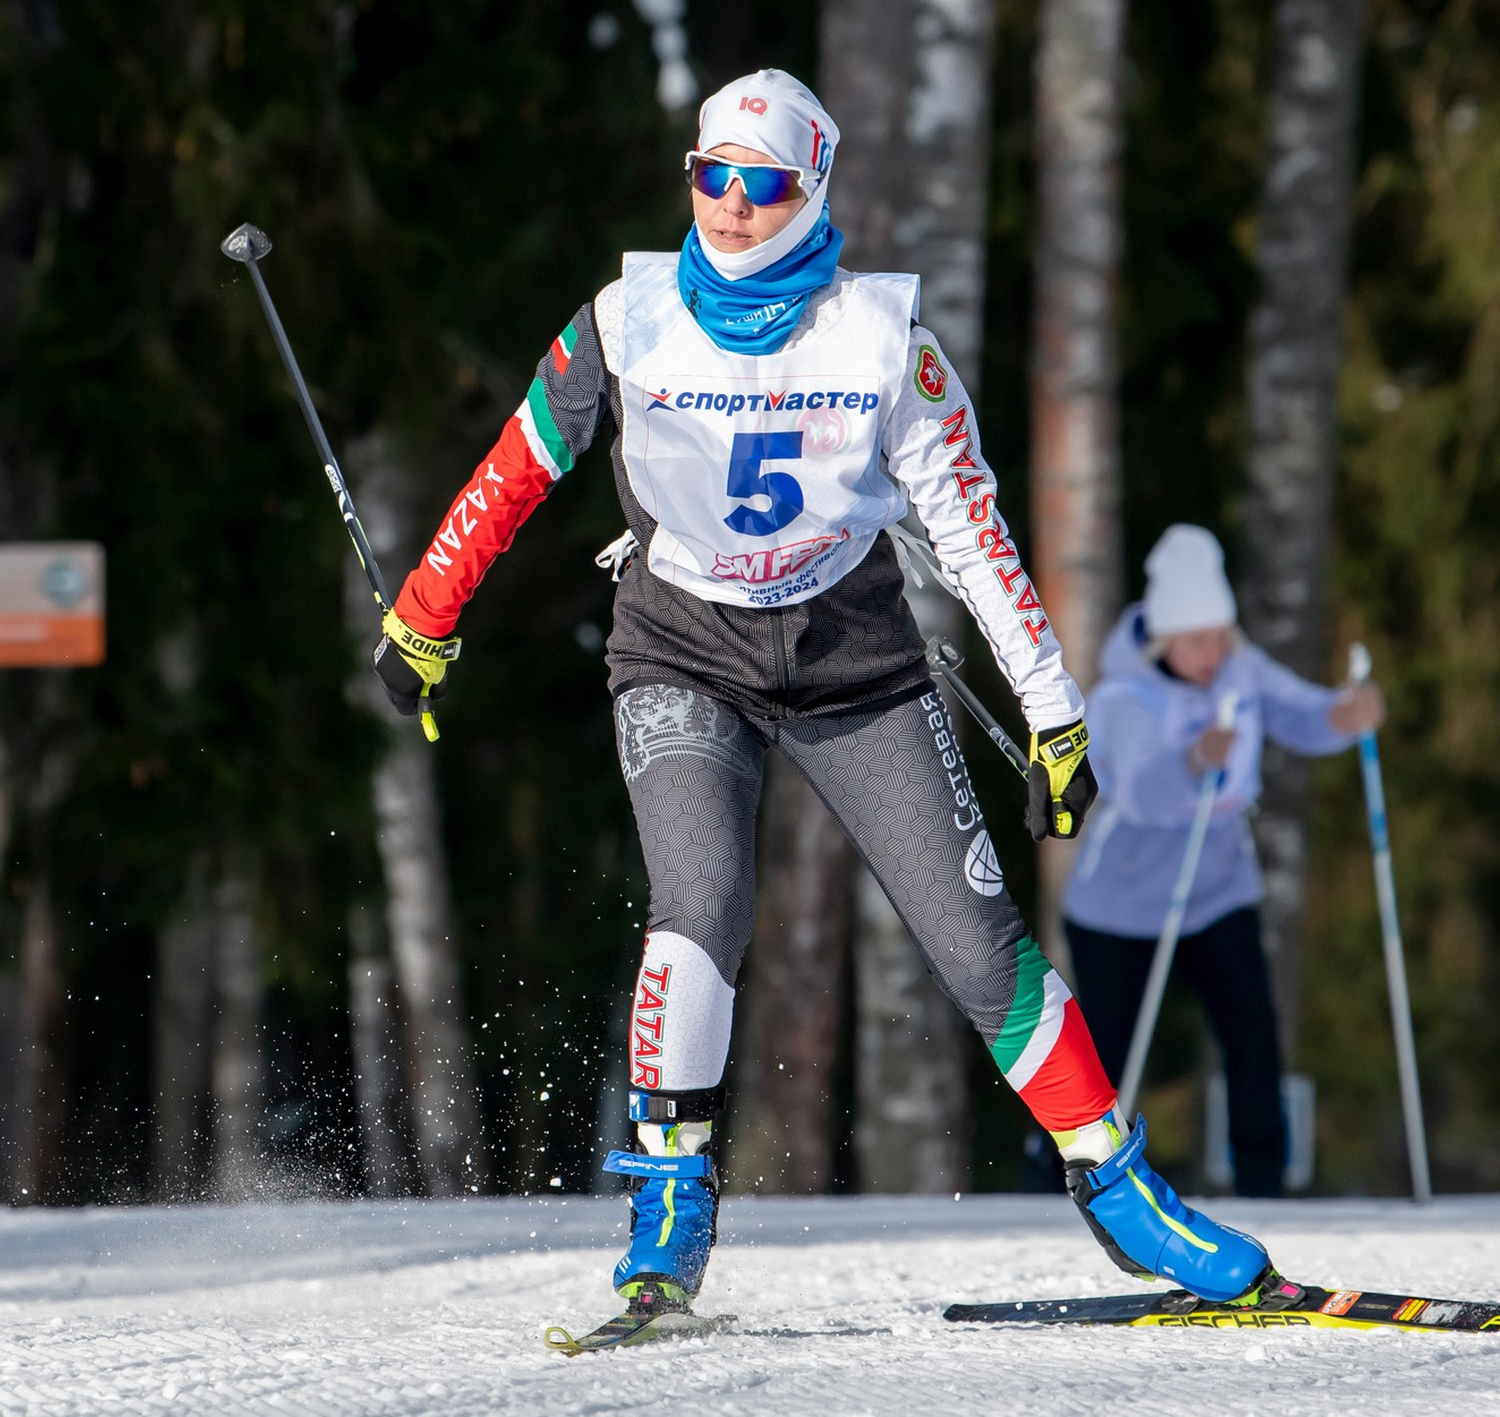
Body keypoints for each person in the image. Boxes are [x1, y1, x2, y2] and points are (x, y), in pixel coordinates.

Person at [368, 70, 1282, 1332]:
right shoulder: (625, 321)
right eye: (711, 176)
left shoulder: (880, 340)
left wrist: (1053, 713)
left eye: (763, 184)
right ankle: (668, 1212)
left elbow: (971, 532)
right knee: (700, 905)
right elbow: (517, 466)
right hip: (682, 651)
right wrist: (424, 614)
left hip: (855, 662)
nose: (732, 206)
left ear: (810, 192)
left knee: (979, 946)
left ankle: (1122, 1191)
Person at [1062, 523, 1383, 1196]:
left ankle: (1263, 1178)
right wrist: (1194, 758)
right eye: (1196, 640)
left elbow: (1300, 713)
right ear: (1163, 638)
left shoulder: (1240, 668)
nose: (1212, 654)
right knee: (1106, 1055)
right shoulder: (1123, 697)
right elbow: (1139, 791)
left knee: (1251, 1029)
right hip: (1122, 901)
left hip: (1215, 886)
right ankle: (1060, 1177)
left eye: (1220, 636)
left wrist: (1346, 715)